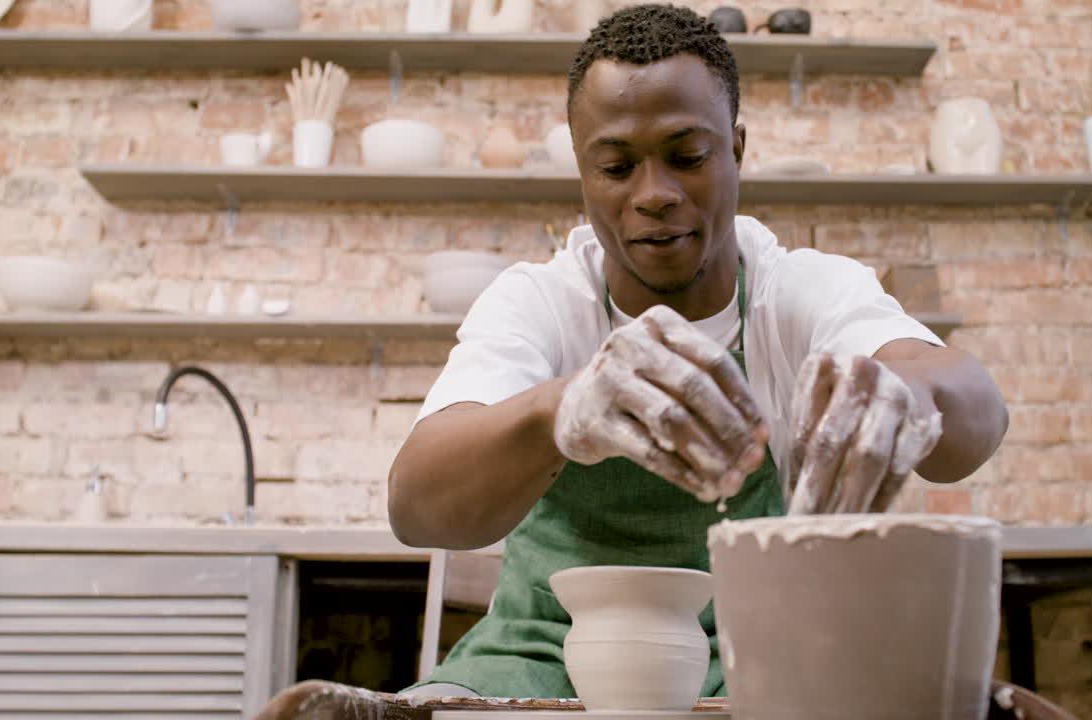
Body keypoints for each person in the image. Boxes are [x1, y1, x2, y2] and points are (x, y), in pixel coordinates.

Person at [387, 2, 1008, 700]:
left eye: (687, 157)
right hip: (543, 662)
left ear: (737, 148)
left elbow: (975, 412)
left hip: (759, 661)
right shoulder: (540, 303)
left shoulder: (797, 291)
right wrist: (556, 413)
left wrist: (908, 397)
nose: (654, 195)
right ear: (582, 174)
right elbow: (416, 506)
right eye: (617, 167)